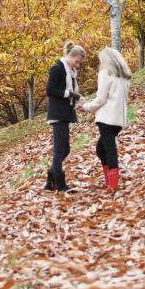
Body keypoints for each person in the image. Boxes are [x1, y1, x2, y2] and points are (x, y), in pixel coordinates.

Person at [80, 47, 132, 190]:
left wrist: (86, 107)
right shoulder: (124, 76)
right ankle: (109, 181)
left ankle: (113, 185)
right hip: (119, 119)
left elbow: (101, 99)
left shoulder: (105, 73)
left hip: (107, 118)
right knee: (100, 149)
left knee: (109, 150)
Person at [45, 41, 86, 192]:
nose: (78, 65)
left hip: (65, 112)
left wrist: (78, 98)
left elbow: (70, 92)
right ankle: (59, 185)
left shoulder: (71, 72)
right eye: (77, 61)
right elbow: (50, 90)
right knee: (59, 150)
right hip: (57, 113)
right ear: (70, 55)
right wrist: (70, 94)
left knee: (65, 150)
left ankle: (50, 181)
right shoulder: (57, 68)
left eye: (79, 63)